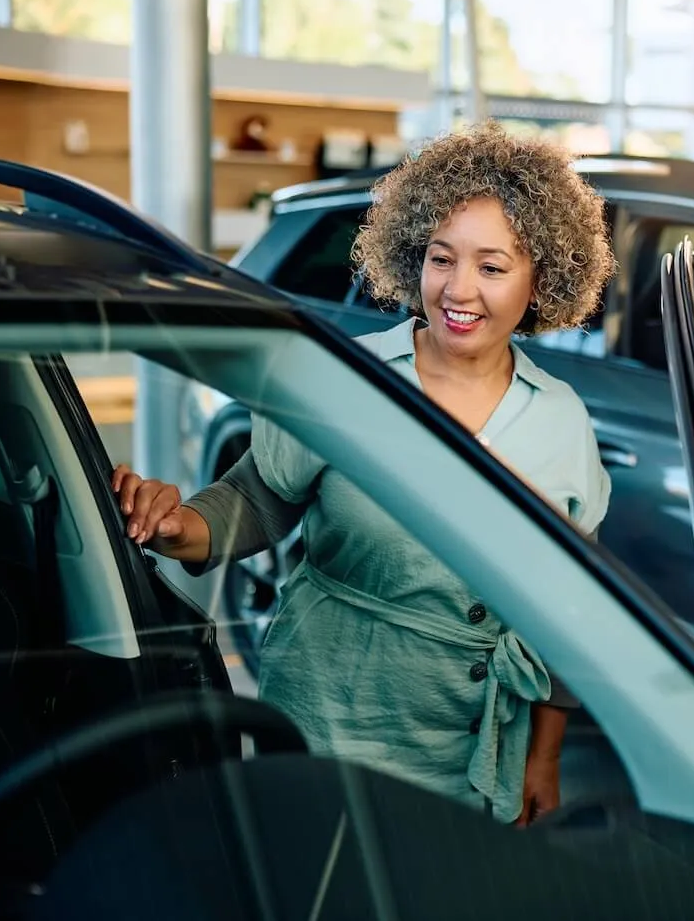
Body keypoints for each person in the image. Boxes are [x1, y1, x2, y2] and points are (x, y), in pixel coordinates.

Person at [112, 122, 615, 827]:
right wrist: (175, 527)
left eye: (493, 267)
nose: (458, 289)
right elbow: (257, 499)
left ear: (543, 279)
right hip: (329, 715)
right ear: (414, 254)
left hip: (469, 746)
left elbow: (569, 609)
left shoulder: (560, 420)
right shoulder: (349, 380)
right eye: (442, 258)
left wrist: (544, 756)